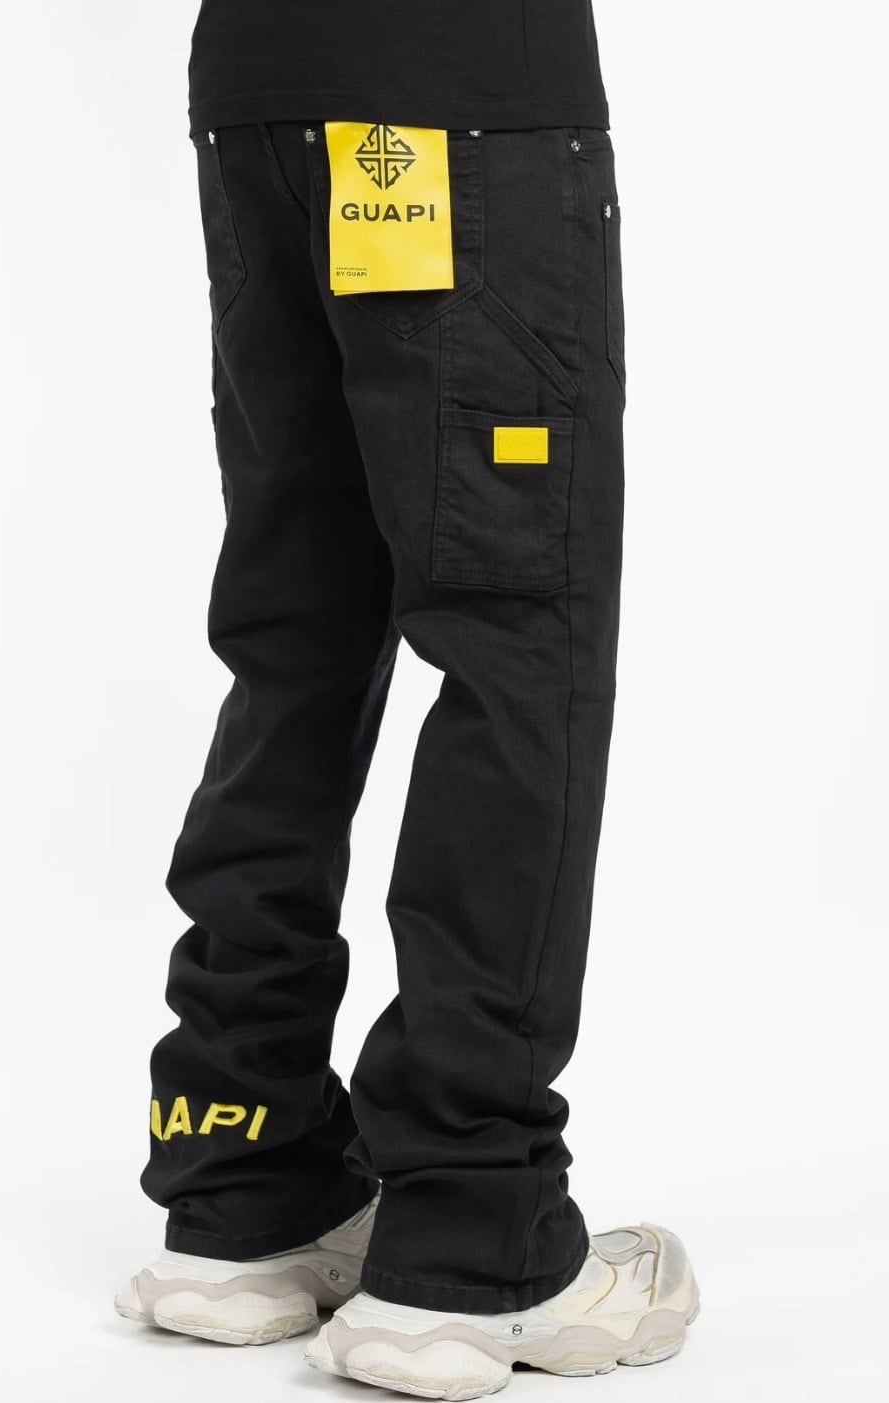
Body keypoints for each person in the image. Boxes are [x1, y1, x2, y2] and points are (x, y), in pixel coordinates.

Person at [114, 2, 700, 1394]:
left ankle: (246, 1181)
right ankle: (472, 1231)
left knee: (295, 630)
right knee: (518, 645)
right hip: (464, 98)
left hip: (259, 101)